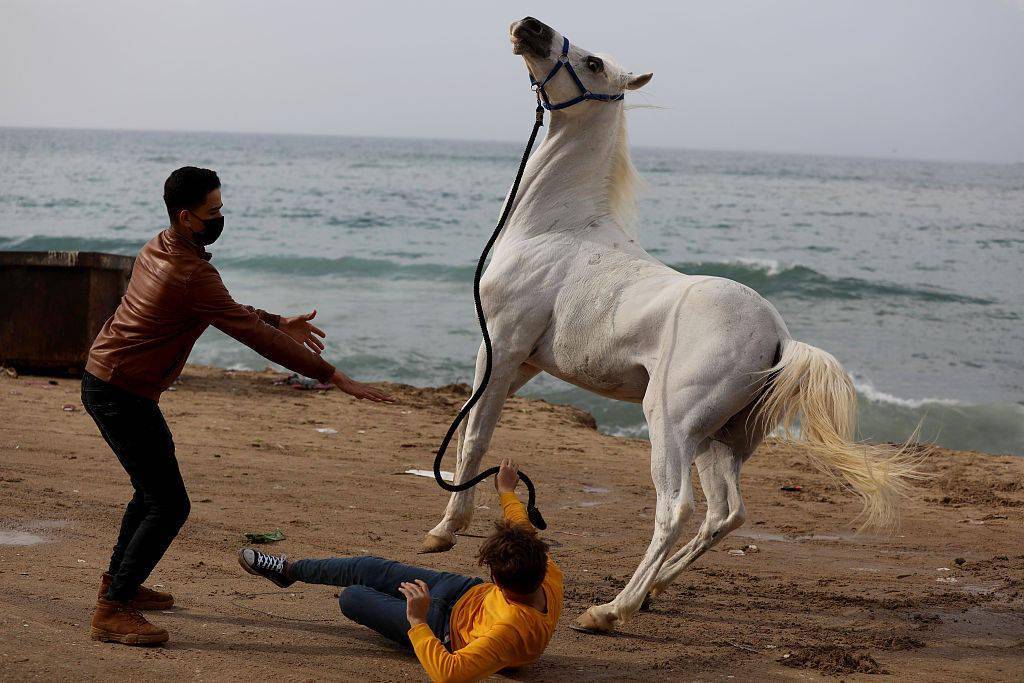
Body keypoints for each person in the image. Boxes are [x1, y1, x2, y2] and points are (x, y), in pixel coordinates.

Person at [83, 166, 393, 646]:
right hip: (120, 391)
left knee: (151, 495)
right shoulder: (190, 273)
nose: (221, 217)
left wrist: (274, 320)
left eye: (221, 208)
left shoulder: (160, 246)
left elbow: (224, 310)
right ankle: (112, 609)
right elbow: (245, 333)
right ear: (186, 217)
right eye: (214, 211)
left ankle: (118, 585)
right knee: (168, 504)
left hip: (112, 381)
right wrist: (333, 376)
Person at [239, 459, 562, 682]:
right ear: (543, 559)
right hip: (464, 591)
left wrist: (419, 621)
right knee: (369, 566)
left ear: (499, 583)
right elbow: (522, 527)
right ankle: (289, 569)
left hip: (444, 630)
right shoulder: (547, 572)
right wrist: (507, 490)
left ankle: (401, 612)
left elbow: (449, 674)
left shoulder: (510, 629)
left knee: (352, 597)